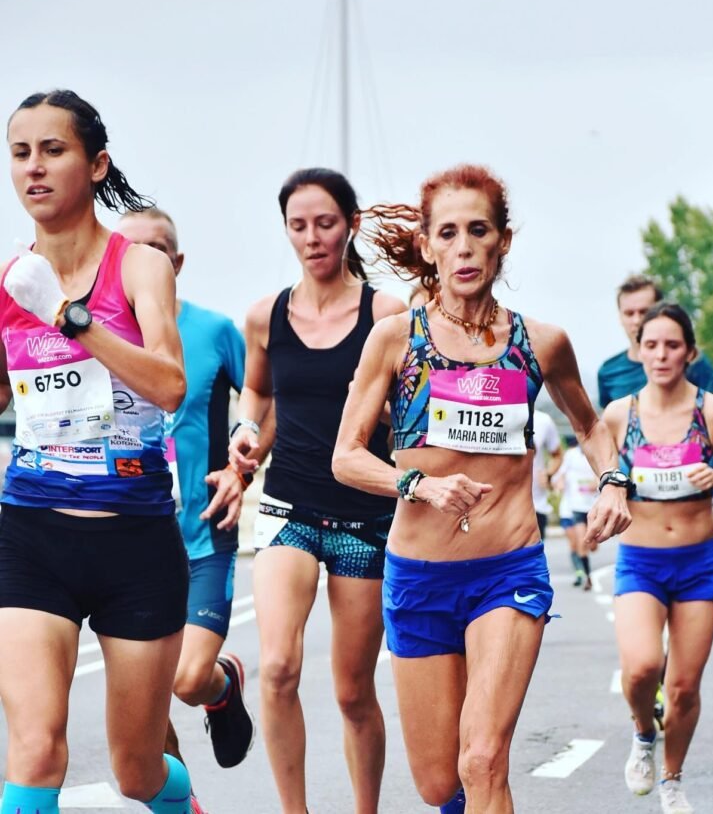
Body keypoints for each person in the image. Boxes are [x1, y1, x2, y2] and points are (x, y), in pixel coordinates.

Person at [331, 164, 632, 813]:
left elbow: (589, 426)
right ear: (428, 246)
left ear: (504, 241)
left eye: (479, 230)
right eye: (449, 233)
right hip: (418, 578)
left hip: (508, 572)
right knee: (442, 783)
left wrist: (613, 481)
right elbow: (347, 457)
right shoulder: (394, 341)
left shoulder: (541, 344)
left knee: (483, 758)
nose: (464, 246)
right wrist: (416, 484)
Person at [0, 89, 194, 813]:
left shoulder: (139, 266)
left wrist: (68, 316)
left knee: (138, 773)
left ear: (96, 162)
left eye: (53, 150)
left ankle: (182, 802)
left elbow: (170, 385)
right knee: (36, 748)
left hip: (135, 542)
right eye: (20, 154)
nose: (34, 169)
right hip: (31, 533)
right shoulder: (7, 281)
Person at [229, 168, 406, 814]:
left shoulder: (387, 314)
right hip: (288, 506)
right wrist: (248, 432)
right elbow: (260, 392)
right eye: (298, 225)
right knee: (276, 667)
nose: (312, 237)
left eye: (325, 223)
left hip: (365, 517)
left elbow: (410, 405)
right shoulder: (264, 316)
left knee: (353, 691)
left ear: (350, 224)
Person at [118, 208, 260, 789]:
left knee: (186, 677)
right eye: (133, 253)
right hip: (127, 543)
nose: (147, 262)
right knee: (144, 709)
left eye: (159, 251)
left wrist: (242, 464)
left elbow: (260, 404)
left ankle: (221, 685)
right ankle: (182, 803)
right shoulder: (100, 338)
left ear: (176, 264)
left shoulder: (214, 329)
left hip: (204, 535)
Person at [602, 301, 713, 814]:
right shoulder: (619, 415)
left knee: (685, 685)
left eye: (672, 345)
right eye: (651, 345)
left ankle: (671, 780)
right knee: (643, 666)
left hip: (699, 563)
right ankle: (643, 732)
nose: (661, 355)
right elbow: (605, 485)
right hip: (640, 560)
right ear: (638, 351)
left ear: (690, 352)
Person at [597, 275, 713, 410]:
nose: (636, 320)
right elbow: (610, 427)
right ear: (620, 317)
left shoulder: (691, 362)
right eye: (629, 313)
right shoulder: (608, 372)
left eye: (644, 312)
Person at [553, 434, 598, 588]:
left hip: (593, 506)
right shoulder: (571, 455)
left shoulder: (595, 453)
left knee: (592, 545)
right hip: (576, 506)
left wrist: (597, 483)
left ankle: (585, 568)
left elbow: (604, 474)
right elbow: (560, 474)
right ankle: (587, 576)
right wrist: (559, 482)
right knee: (580, 542)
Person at [531, 409, 562, 540]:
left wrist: (548, 474)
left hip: (535, 505)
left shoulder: (543, 420)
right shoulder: (489, 412)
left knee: (531, 558)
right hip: (497, 505)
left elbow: (557, 455)